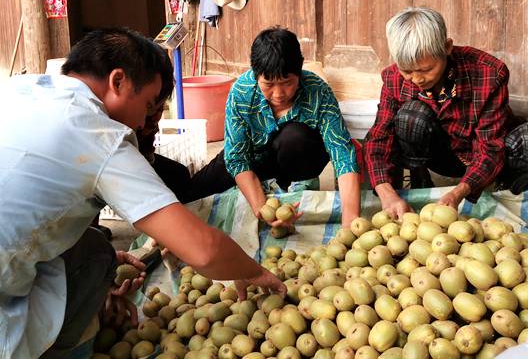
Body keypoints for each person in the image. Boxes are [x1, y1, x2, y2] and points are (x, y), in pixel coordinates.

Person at [0, 28, 285, 359]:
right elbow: (204, 250)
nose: (144, 121)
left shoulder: (18, 89)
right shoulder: (97, 134)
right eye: (149, 105)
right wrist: (251, 270)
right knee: (95, 255)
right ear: (118, 81)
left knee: (97, 251)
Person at [364, 7, 528, 219]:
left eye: (426, 70)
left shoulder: (488, 73)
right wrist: (387, 194)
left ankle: (502, 190)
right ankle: (419, 181)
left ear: (447, 47)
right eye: (407, 71)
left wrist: (459, 192)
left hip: (480, 153)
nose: (417, 79)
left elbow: (491, 146)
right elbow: (379, 138)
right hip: (439, 154)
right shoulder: (394, 78)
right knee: (411, 116)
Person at [189, 27, 361, 228]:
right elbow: (237, 158)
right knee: (192, 194)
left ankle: (297, 189)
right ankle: (262, 187)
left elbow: (342, 153)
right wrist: (263, 209)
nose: (278, 94)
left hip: (297, 156)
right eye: (268, 84)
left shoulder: (318, 92)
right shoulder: (242, 91)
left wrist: (351, 219)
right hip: (254, 157)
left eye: (287, 82)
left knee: (294, 137)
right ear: (255, 75)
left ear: (300, 71)